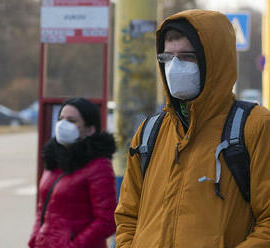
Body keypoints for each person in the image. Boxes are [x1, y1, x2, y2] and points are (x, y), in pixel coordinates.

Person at [115, 9, 270, 248]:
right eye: (167, 58)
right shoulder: (149, 131)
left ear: (215, 61)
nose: (175, 67)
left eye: (187, 57)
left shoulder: (255, 127)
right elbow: (127, 216)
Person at [28, 98, 117, 248]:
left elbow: (106, 221)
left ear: (90, 129)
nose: (63, 125)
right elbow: (43, 208)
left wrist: (74, 245)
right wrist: (35, 238)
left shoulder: (99, 166)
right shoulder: (53, 158)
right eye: (61, 119)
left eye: (71, 120)